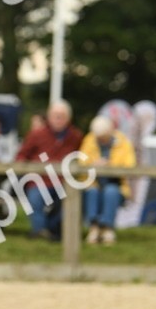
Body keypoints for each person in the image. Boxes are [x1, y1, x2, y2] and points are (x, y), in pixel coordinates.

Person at [15, 100, 83, 239]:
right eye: (55, 116)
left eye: (61, 116)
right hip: (39, 180)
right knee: (35, 197)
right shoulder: (36, 134)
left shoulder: (76, 136)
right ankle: (39, 231)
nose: (58, 119)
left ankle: (53, 230)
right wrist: (26, 169)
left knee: (69, 200)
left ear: (68, 118)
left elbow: (82, 156)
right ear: (49, 117)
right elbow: (21, 155)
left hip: (64, 181)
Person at [80, 115, 137, 245]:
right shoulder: (89, 140)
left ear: (111, 131)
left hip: (117, 183)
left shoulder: (123, 142)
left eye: (103, 138)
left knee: (111, 191)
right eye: (99, 138)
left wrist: (110, 165)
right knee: (92, 191)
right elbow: (81, 163)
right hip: (93, 182)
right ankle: (94, 227)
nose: (101, 140)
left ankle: (107, 228)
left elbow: (130, 165)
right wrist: (93, 165)